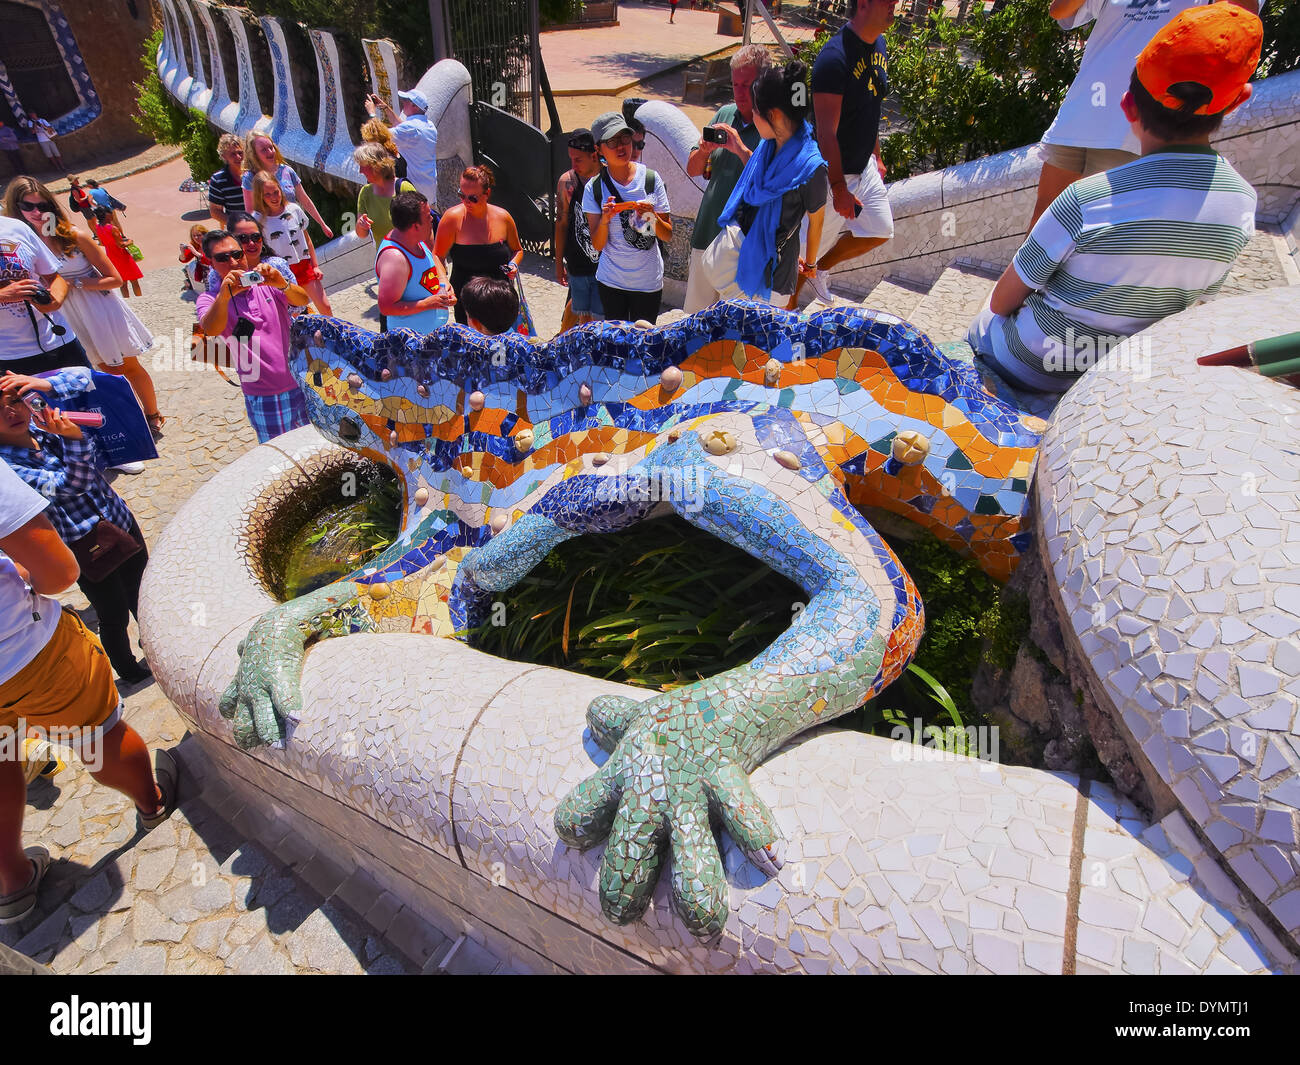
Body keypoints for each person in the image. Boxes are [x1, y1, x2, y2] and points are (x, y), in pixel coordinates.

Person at [967, 2, 1261, 400]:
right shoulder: (1243, 204)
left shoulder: (1086, 198)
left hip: (1033, 364)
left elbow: (1003, 303)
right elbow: (1194, 309)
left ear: (1127, 105)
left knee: (986, 313)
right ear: (1238, 100)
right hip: (1117, 372)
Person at [0, 460, 177, 924]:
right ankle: (152, 803)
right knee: (98, 734)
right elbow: (57, 573)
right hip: (28, 654)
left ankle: (12, 883)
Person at [1027, 0, 1260, 230]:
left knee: (1101, 229)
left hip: (1134, 128)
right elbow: (1059, 10)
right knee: (1044, 216)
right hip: (1080, 114)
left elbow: (1238, 24)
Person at [0, 369, 152, 683]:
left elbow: (91, 380)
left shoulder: (45, 425)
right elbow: (71, 484)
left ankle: (155, 643)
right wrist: (74, 439)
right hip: (85, 547)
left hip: (119, 522)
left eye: (15, 399)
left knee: (145, 593)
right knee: (112, 614)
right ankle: (127, 668)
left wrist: (47, 385)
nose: (11, 411)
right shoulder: (9, 469)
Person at [3, 177, 161, 435]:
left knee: (123, 367)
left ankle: (152, 414)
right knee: (95, 376)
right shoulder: (18, 246)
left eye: (42, 206)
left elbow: (115, 279)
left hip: (96, 308)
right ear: (14, 208)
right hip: (61, 317)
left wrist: (70, 283)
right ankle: (122, 423)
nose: (36, 212)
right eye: (27, 206)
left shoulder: (73, 236)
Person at [792, 0, 897, 307]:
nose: (894, 3)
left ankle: (820, 269)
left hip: (863, 167)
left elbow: (870, 106)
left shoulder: (880, 45)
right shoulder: (834, 58)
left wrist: (876, 155)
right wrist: (838, 188)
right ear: (863, 3)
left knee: (880, 229)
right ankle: (780, 319)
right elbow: (826, 131)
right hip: (829, 175)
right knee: (799, 261)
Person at [699, 61, 827, 308]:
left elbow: (817, 221)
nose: (753, 117)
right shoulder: (766, 146)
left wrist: (810, 264)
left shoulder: (811, 167)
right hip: (742, 261)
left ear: (775, 115)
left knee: (758, 341)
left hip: (772, 275)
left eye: (756, 111)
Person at [195, 229, 311, 443]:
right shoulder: (209, 299)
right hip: (264, 395)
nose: (233, 262)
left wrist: (281, 283)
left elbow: (302, 300)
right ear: (211, 263)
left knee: (316, 448)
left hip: (301, 383)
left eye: (237, 254)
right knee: (281, 458)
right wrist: (224, 296)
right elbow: (210, 328)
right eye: (223, 258)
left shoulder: (266, 284)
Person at [684, 44, 770, 313]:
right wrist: (703, 151)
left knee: (733, 333)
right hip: (707, 234)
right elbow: (693, 168)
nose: (740, 93)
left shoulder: (775, 125)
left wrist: (741, 149)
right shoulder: (724, 114)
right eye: (735, 85)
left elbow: (770, 182)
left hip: (743, 248)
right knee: (693, 322)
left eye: (747, 84)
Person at [581, 112, 673, 324]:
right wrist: (605, 220)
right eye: (612, 141)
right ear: (599, 148)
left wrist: (651, 217)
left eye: (625, 139)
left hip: (648, 282)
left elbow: (667, 234)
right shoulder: (594, 189)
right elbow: (597, 244)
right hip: (612, 282)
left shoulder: (651, 179)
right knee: (617, 347)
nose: (621, 147)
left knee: (644, 346)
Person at [433, 165, 524, 328]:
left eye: (472, 198)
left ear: (487, 193)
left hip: (499, 297)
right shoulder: (452, 219)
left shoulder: (503, 217)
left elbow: (517, 250)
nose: (466, 202)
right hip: (467, 302)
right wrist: (443, 280)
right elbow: (438, 255)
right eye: (462, 195)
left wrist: (513, 264)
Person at [0, 213, 88, 376]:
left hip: (60, 341)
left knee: (90, 399)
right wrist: (4, 294)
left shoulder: (16, 227)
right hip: (9, 357)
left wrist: (54, 301)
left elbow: (54, 277)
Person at [251, 171, 332, 315]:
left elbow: (306, 238)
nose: (273, 198)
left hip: (303, 265)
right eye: (267, 195)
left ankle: (334, 336)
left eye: (276, 192)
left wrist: (315, 266)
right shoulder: (257, 219)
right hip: (281, 272)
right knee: (294, 314)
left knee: (325, 307)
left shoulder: (294, 209)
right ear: (260, 196)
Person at [205, 212, 309, 320]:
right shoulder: (217, 273)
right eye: (243, 238)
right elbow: (213, 316)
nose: (251, 243)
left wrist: (282, 285)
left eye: (256, 237)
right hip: (242, 334)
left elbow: (300, 306)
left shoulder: (276, 265)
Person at [376, 191, 454, 335]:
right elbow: (386, 307)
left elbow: (431, 262)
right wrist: (428, 304)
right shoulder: (395, 259)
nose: (432, 218)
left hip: (429, 337)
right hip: (410, 343)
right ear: (415, 226)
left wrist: (444, 282)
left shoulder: (414, 239)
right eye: (427, 216)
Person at [554, 128, 603, 332]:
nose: (573, 165)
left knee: (597, 313)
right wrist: (558, 263)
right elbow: (561, 223)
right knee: (579, 307)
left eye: (578, 159)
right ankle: (563, 341)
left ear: (594, 155)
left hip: (605, 261)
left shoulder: (608, 179)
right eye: (571, 159)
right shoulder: (568, 182)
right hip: (578, 261)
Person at [240, 132, 334, 238]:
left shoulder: (287, 171)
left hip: (296, 228)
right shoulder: (250, 178)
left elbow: (304, 200)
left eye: (271, 147)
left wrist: (322, 224)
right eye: (263, 150)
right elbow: (251, 212)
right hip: (271, 236)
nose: (270, 152)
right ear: (254, 154)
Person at [365, 89, 438, 206]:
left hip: (414, 192)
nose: (403, 102)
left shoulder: (411, 129)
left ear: (414, 106)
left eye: (406, 101)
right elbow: (402, 127)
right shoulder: (429, 126)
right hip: (429, 190)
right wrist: (385, 108)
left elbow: (378, 136)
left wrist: (372, 113)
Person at [353, 144, 420, 248]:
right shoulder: (365, 193)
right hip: (387, 259)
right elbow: (362, 235)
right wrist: (361, 225)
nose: (360, 171)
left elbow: (424, 224)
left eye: (363, 165)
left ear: (375, 165)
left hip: (412, 256)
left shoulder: (403, 187)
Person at [93, 208, 142, 299]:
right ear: (106, 215)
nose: (112, 215)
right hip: (122, 256)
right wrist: (130, 242)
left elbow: (101, 243)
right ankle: (140, 299)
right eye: (111, 213)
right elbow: (121, 245)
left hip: (111, 256)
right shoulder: (113, 228)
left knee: (123, 283)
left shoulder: (98, 227)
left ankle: (127, 300)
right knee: (134, 281)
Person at [207, 134, 247, 227]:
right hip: (238, 233)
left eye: (240, 153)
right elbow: (215, 211)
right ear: (224, 156)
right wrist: (237, 226)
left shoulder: (254, 173)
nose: (238, 157)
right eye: (233, 154)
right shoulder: (218, 180)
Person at [361, 117, 408, 183]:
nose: (365, 144)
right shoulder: (394, 152)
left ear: (373, 141)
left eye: (366, 141)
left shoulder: (383, 160)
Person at [179, 221, 212, 292]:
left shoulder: (211, 243)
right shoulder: (195, 245)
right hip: (203, 270)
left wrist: (195, 253)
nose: (196, 238)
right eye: (194, 236)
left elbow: (210, 260)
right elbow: (184, 260)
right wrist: (182, 252)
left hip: (213, 269)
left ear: (205, 234)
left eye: (199, 235)